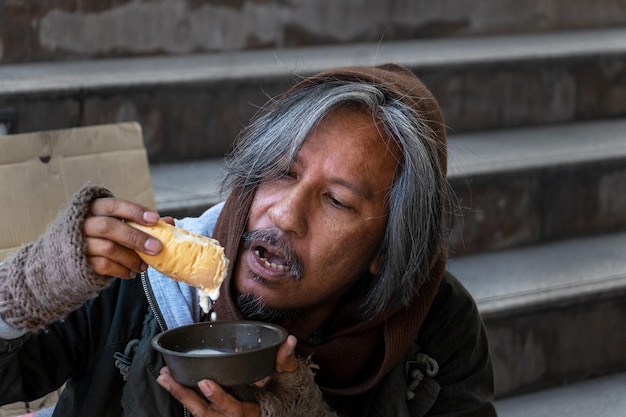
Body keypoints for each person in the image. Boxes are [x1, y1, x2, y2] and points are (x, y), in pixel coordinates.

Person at [0, 64, 497, 416]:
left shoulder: (434, 328)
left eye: (338, 202)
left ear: (385, 252)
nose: (284, 214)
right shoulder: (130, 274)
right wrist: (35, 283)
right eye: (281, 173)